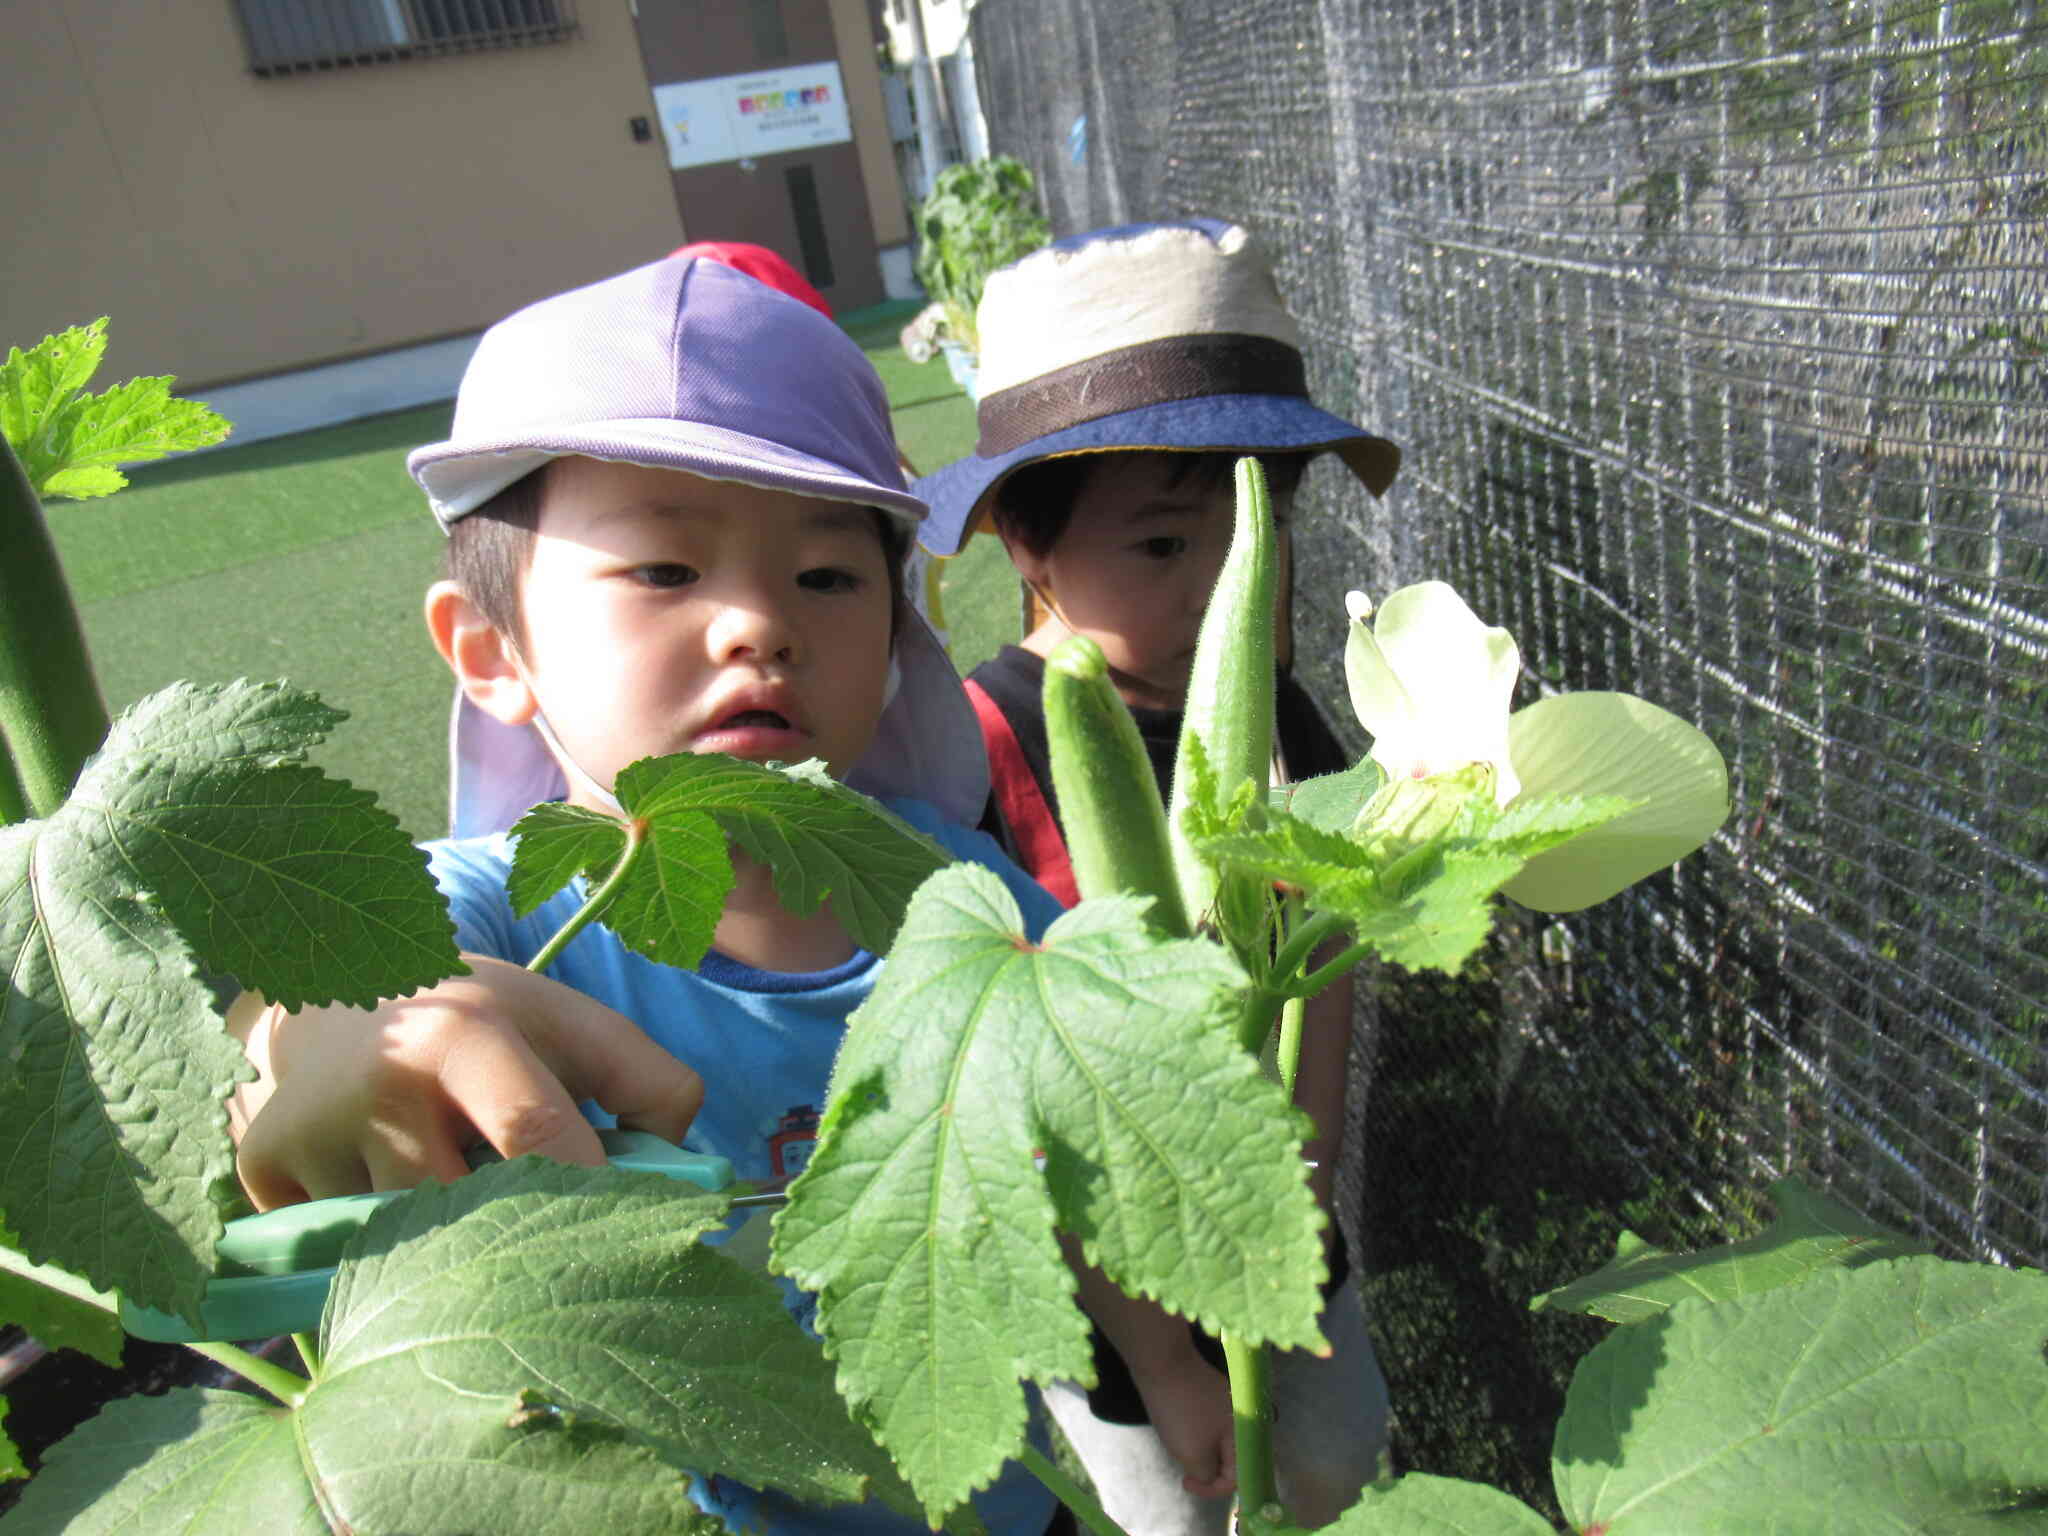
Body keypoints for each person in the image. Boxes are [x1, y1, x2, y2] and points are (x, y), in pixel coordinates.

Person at [225, 254, 1071, 1536]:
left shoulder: (945, 881)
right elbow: (324, 981)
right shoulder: (505, 907)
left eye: (827, 578)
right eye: (666, 573)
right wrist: (344, 1029)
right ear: (491, 652)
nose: (757, 626)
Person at [911, 219, 1402, 1535]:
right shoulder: (986, 756)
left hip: (1283, 1221)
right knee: (1182, 1514)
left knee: (1340, 1461)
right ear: (1026, 538)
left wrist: (1296, 1193)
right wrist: (1170, 1358)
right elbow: (1014, 1094)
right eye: (1167, 546)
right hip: (1110, 1283)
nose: (1233, 586)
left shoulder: (1281, 719)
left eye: (1264, 530)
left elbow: (1326, 964)